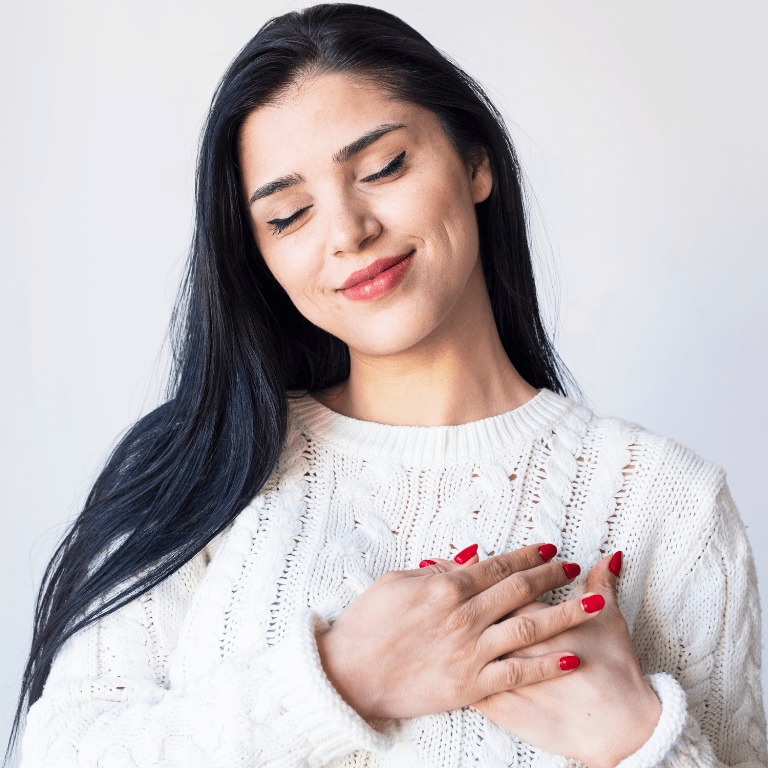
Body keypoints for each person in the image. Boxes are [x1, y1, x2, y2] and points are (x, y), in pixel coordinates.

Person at [9, 4, 766, 768]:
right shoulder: (200, 469)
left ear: (475, 163)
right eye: (289, 214)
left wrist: (636, 739)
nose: (346, 230)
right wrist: (342, 680)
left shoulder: (670, 505)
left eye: (382, 168)